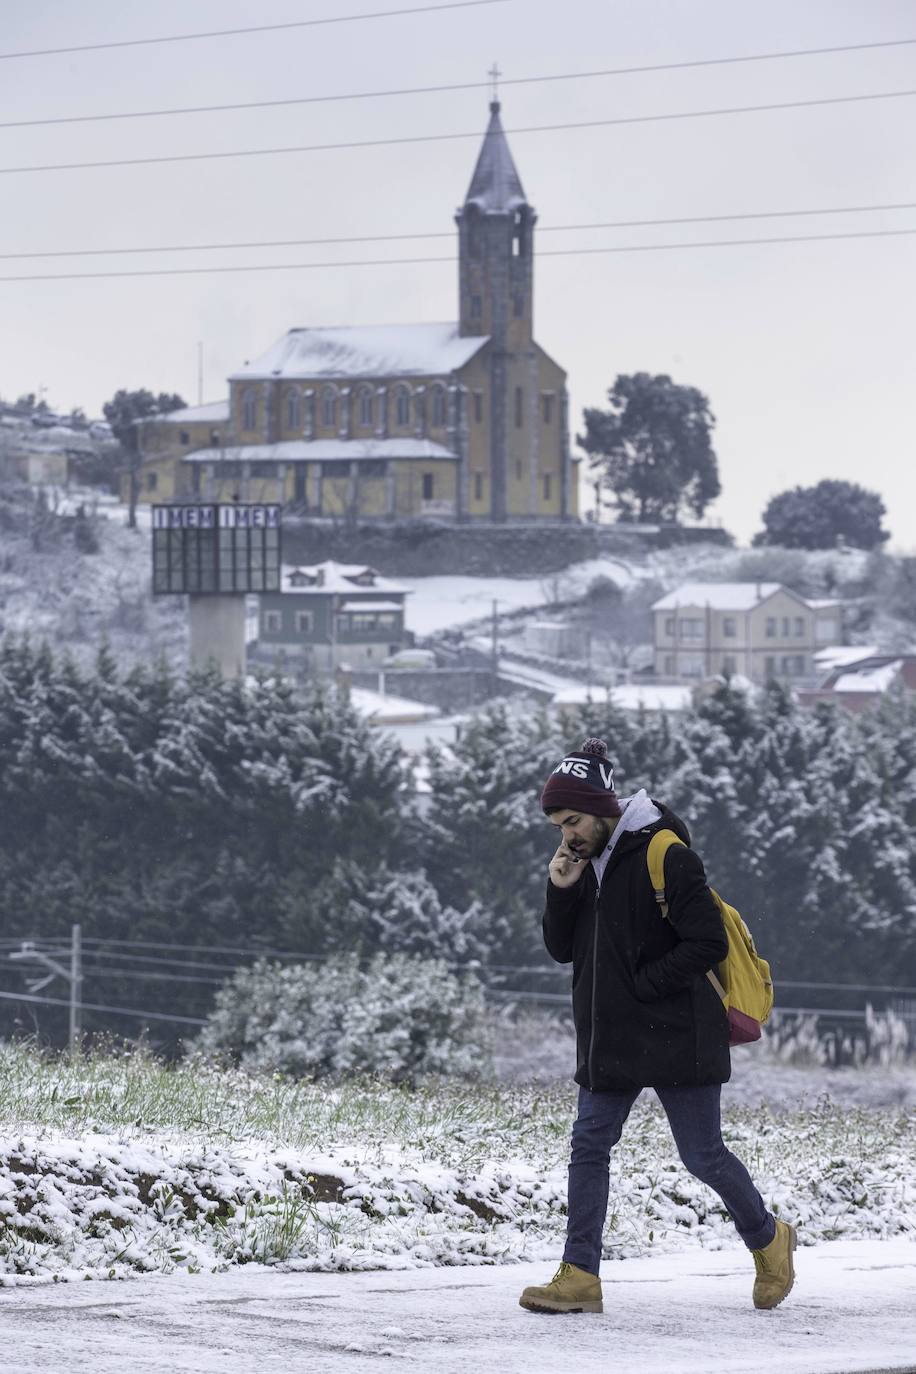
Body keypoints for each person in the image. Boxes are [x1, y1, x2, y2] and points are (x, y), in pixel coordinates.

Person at [519, 737, 796, 1316]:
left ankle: (769, 1239)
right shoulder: (584, 863)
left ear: (603, 809)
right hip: (611, 1038)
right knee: (589, 1145)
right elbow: (561, 949)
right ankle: (580, 1276)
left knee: (702, 1156)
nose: (566, 834)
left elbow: (706, 943)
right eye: (557, 825)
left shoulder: (665, 853)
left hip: (678, 1034)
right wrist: (560, 889)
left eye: (573, 820)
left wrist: (642, 987)